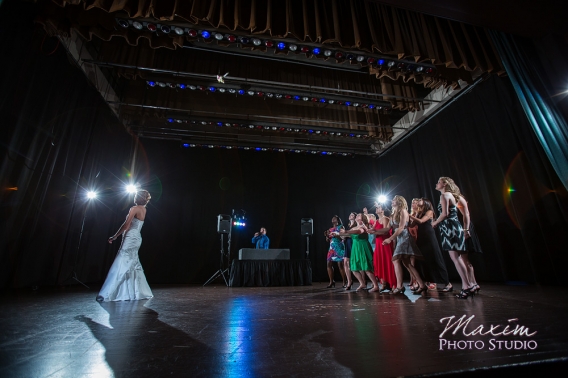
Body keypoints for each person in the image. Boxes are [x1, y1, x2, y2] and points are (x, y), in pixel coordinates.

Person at [96, 189, 153, 302]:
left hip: (131, 238)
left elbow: (126, 225)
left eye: (136, 195)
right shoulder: (144, 210)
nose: (134, 197)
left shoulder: (134, 209)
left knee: (122, 262)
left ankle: (109, 293)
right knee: (132, 263)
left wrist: (115, 236)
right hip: (137, 238)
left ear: (138, 197)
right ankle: (134, 293)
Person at [431, 177, 475, 299]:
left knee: (455, 258)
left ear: (444, 184)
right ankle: (469, 284)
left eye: (438, 182)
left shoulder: (444, 196)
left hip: (449, 228)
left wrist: (435, 222)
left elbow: (445, 214)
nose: (436, 183)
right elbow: (466, 214)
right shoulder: (457, 197)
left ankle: (466, 286)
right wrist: (466, 229)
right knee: (459, 257)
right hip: (456, 227)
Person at [381, 195, 427, 295]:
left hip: (405, 238)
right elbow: (387, 229)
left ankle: (399, 286)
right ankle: (422, 285)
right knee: (407, 263)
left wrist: (390, 238)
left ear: (399, 201)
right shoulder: (393, 214)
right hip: (399, 238)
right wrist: (374, 231)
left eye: (394, 200)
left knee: (396, 260)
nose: (392, 201)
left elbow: (401, 227)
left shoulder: (403, 211)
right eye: (392, 200)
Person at [409, 198, 451, 292]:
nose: (418, 201)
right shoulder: (418, 213)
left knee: (435, 259)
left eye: (420, 200)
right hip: (421, 238)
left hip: (429, 237)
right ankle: (429, 281)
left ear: (426, 203)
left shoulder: (429, 212)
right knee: (425, 260)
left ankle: (447, 283)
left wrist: (408, 215)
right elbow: (411, 225)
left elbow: (421, 221)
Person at [337, 214, 380, 292]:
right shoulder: (354, 227)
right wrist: (337, 234)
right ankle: (362, 283)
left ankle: (376, 285)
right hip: (355, 248)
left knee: (366, 268)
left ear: (362, 218)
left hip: (363, 247)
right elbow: (347, 234)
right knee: (353, 268)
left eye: (359, 216)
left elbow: (359, 231)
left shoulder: (363, 226)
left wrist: (346, 230)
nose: (357, 216)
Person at [367, 203, 396, 293]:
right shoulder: (376, 220)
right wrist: (370, 230)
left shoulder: (385, 219)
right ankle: (384, 283)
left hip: (385, 243)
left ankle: (393, 284)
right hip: (378, 244)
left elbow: (385, 231)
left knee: (387, 262)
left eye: (379, 207)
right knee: (379, 262)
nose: (376, 209)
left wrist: (373, 231)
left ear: (383, 210)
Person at [324, 215, 347, 288]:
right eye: (332, 218)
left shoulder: (341, 227)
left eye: (334, 218)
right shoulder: (330, 229)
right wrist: (327, 236)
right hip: (331, 248)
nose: (333, 219)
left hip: (339, 246)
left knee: (340, 264)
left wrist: (335, 235)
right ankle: (331, 281)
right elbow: (328, 240)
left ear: (337, 220)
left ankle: (344, 281)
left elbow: (343, 237)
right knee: (328, 264)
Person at [341, 212, 358, 290]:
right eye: (350, 214)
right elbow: (345, 236)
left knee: (355, 263)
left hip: (353, 243)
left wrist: (342, 234)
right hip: (347, 243)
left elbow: (351, 235)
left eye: (352, 215)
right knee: (345, 262)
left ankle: (363, 281)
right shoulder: (348, 226)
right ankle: (349, 281)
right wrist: (342, 237)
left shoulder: (356, 225)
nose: (350, 216)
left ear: (355, 217)